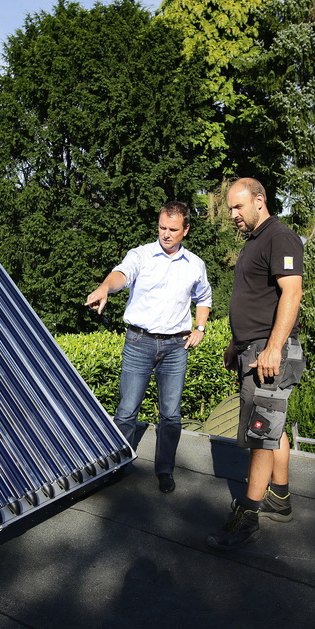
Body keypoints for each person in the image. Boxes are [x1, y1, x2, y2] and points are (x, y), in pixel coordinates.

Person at [86, 201, 212, 493]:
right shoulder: (140, 255)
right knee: (127, 410)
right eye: (162, 227)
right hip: (139, 342)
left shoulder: (195, 264)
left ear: (186, 230)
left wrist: (200, 328)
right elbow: (122, 274)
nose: (166, 234)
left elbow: (204, 298)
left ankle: (165, 470)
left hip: (175, 347)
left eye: (173, 229)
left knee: (171, 414)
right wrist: (105, 287)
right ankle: (117, 465)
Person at [206, 178, 304, 550]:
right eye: (230, 208)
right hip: (253, 348)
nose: (232, 215)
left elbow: (291, 292)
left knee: (262, 430)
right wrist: (237, 343)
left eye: (238, 207)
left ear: (259, 201)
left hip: (269, 352)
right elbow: (255, 299)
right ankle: (279, 496)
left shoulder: (280, 236)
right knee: (272, 425)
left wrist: (274, 347)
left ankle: (247, 516)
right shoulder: (255, 242)